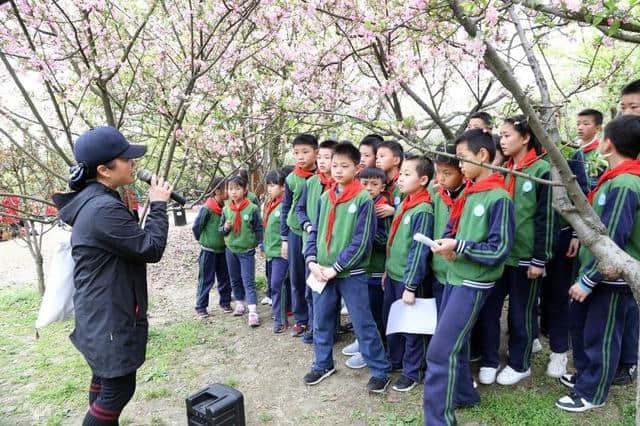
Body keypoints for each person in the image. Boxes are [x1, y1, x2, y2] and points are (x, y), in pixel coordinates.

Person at [54, 126, 171, 425]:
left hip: (99, 311)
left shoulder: (96, 200)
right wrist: (158, 205)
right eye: (126, 158)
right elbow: (150, 248)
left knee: (105, 382)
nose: (133, 163)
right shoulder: (102, 208)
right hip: (108, 315)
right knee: (117, 390)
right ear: (104, 170)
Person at [425, 128, 514, 425]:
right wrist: (448, 246)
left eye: (463, 159)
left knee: (440, 352)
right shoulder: (471, 192)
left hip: (473, 283)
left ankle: (439, 420)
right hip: (455, 277)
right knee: (455, 344)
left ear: (483, 155)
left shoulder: (498, 196)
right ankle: (464, 394)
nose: (459, 165)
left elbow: (499, 249)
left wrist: (459, 247)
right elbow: (456, 232)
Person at [556, 115, 640, 412]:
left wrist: (589, 279)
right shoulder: (614, 178)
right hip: (594, 270)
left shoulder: (626, 183)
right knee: (582, 328)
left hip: (609, 278)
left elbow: (614, 237)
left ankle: (593, 392)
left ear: (608, 143)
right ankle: (585, 375)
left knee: (601, 335)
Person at [303, 142, 392, 393]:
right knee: (321, 320)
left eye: (345, 166)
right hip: (322, 272)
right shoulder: (324, 198)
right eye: (334, 165)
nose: (338, 171)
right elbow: (315, 232)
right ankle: (322, 364)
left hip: (351, 274)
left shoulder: (363, 199)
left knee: (363, 322)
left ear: (357, 168)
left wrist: (337, 266)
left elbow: (362, 241)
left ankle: (380, 370)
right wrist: (312, 261)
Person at [477, 115, 555, 386]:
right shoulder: (504, 169)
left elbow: (546, 218)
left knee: (520, 313)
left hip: (525, 258)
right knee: (490, 309)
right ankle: (489, 359)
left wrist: (539, 259)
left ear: (526, 137)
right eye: (501, 134)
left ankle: (519, 363)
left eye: (508, 135)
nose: (502, 140)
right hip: (500, 256)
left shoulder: (542, 170)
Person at [383, 154, 434, 392]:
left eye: (407, 174)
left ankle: (413, 371)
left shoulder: (423, 209)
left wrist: (411, 285)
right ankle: (397, 361)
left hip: (409, 279)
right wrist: (387, 270)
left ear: (423, 179)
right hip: (394, 274)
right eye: (400, 173)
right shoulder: (404, 203)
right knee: (396, 322)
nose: (400, 179)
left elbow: (419, 250)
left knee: (414, 327)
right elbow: (395, 243)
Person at [343, 166, 390, 369]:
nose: (369, 188)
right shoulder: (359, 203)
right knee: (361, 309)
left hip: (377, 268)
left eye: (374, 184)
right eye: (364, 184)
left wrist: (367, 234)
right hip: (361, 268)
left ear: (383, 187)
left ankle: (371, 350)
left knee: (373, 312)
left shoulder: (382, 209)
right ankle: (362, 342)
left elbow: (388, 240)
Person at [296, 139, 337, 344]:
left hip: (333, 248)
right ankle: (314, 328)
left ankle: (331, 330)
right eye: (319, 157)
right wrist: (308, 226)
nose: (322, 161)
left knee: (331, 293)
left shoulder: (340, 186)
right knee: (312, 289)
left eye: (327, 158)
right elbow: (300, 209)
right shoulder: (311, 183)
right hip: (312, 245)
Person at [281, 134, 318, 338]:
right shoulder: (291, 178)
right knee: (296, 277)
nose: (300, 157)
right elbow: (286, 208)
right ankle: (301, 319)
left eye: (305, 152)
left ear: (316, 152)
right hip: (296, 232)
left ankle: (315, 321)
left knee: (312, 277)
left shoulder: (323, 176)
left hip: (315, 234)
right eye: (296, 153)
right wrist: (284, 239)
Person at [220, 174, 263, 327]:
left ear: (245, 190)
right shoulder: (226, 210)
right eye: (230, 189)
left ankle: (252, 311)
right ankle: (239, 303)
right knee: (235, 279)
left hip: (247, 250)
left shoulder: (252, 208)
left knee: (248, 281)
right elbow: (221, 231)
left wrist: (260, 244)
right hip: (231, 249)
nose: (233, 192)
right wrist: (225, 228)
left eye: (237, 189)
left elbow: (258, 228)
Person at [431, 142, 465, 311]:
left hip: (459, 273)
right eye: (438, 172)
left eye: (447, 173)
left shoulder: (469, 198)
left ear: (462, 171)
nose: (441, 179)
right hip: (438, 271)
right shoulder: (437, 197)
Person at [192, 177, 231, 318]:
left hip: (223, 250)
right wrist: (203, 241)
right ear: (218, 191)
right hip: (208, 251)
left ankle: (225, 302)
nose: (230, 191)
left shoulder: (226, 209)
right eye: (227, 188)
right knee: (206, 279)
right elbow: (197, 227)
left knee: (225, 278)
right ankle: (201, 306)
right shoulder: (207, 208)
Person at [262, 169, 289, 333]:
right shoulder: (269, 204)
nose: (270, 189)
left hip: (282, 253)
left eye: (274, 185)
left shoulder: (285, 204)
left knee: (277, 285)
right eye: (268, 185)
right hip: (271, 252)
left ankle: (280, 319)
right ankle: (278, 315)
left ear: (283, 187)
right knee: (273, 286)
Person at [375, 140, 404, 208]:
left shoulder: (403, 182)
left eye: (382, 156)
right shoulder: (379, 181)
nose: (377, 161)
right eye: (377, 157)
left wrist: (394, 211)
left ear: (396, 160)